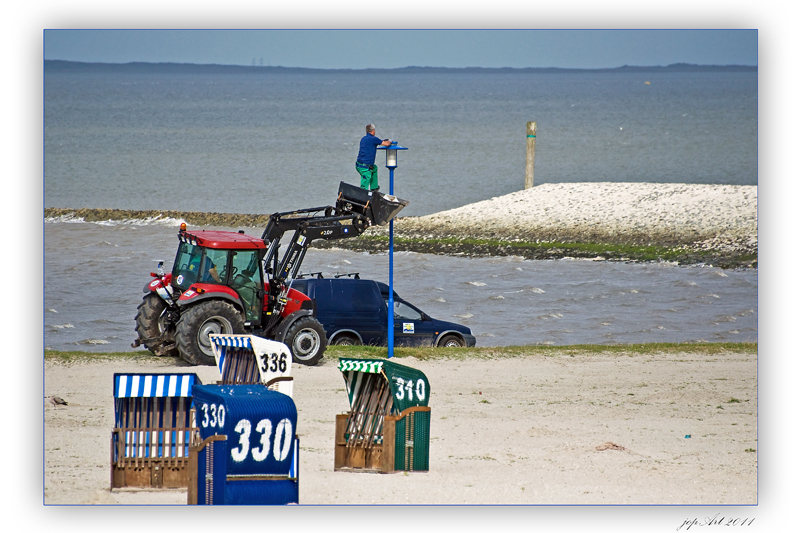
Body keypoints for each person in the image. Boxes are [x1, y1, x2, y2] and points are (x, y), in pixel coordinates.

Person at [355, 124, 391, 191]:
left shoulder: (363, 139)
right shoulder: (374, 139)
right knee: (366, 178)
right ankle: (363, 193)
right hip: (364, 167)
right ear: (373, 131)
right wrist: (390, 141)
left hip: (358, 164)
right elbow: (386, 144)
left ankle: (374, 188)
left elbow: (377, 142)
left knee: (374, 168)